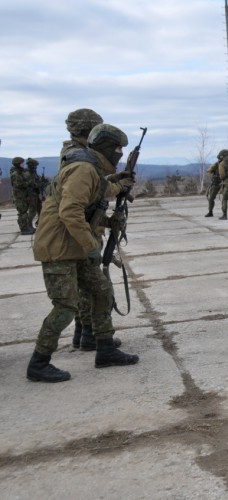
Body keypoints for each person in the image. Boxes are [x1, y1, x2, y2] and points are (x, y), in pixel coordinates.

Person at [27, 123, 139, 382]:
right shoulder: (84, 169)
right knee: (66, 306)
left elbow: (97, 196)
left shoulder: (92, 169)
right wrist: (90, 246)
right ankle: (38, 363)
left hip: (74, 245)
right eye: (118, 148)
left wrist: (113, 211)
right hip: (59, 247)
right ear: (107, 148)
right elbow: (70, 212)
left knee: (101, 291)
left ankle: (105, 349)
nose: (121, 153)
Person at [59, 108, 122, 351]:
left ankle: (83, 333)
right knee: (93, 286)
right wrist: (116, 185)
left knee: (87, 285)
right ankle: (89, 334)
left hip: (85, 227)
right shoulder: (80, 157)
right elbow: (95, 190)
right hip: (83, 231)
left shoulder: (73, 152)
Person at [10, 156, 35, 234]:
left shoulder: (20, 172)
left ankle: (26, 227)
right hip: (19, 196)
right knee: (22, 213)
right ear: (18, 164)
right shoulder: (16, 174)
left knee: (24, 212)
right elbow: (19, 184)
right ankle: (23, 229)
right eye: (21, 163)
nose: (23, 165)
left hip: (22, 195)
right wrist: (28, 183)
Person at [24, 158, 46, 227]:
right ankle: (28, 225)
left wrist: (42, 181)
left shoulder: (33, 172)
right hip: (31, 194)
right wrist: (39, 184)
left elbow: (37, 180)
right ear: (31, 165)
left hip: (36, 194)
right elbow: (30, 184)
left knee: (40, 210)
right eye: (35, 166)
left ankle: (39, 224)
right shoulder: (27, 174)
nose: (36, 167)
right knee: (32, 211)